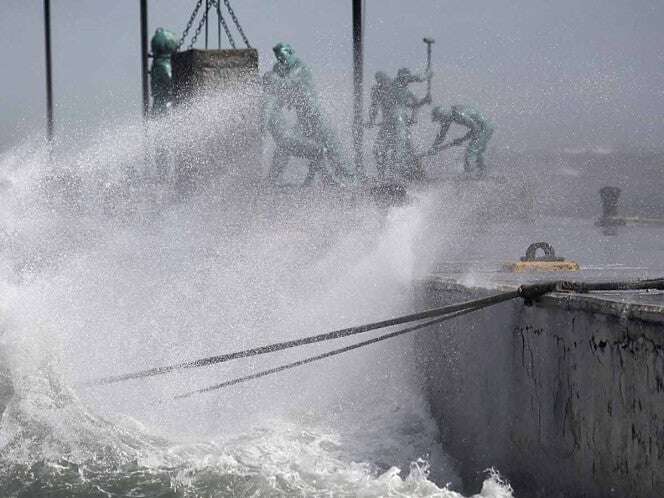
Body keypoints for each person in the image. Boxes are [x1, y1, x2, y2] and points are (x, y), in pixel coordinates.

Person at [272, 42, 354, 185]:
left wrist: (272, 78)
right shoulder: (285, 68)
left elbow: (287, 82)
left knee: (332, 147)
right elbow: (279, 85)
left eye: (283, 57)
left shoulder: (300, 67)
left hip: (315, 117)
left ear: (291, 52)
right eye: (279, 59)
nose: (282, 61)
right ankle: (273, 180)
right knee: (286, 143)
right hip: (304, 120)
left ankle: (351, 180)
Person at [261, 70, 327, 184]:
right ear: (271, 83)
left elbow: (275, 106)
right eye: (277, 82)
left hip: (285, 140)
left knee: (272, 177)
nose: (280, 86)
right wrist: (263, 128)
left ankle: (310, 182)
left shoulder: (270, 97)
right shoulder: (270, 98)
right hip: (287, 140)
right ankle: (319, 182)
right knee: (318, 150)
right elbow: (266, 112)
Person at [428, 105, 494, 178]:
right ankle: (482, 172)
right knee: (477, 150)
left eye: (440, 119)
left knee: (472, 150)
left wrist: (462, 139)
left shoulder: (459, 114)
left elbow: (476, 128)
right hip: (482, 127)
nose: (441, 122)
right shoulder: (450, 116)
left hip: (485, 127)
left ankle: (470, 173)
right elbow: (442, 134)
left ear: (443, 115)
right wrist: (433, 147)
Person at [389, 68, 431, 181]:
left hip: (397, 119)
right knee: (401, 143)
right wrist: (427, 75)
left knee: (404, 143)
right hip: (398, 118)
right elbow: (415, 103)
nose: (408, 80)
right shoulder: (398, 87)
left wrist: (425, 101)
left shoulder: (403, 90)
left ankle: (409, 170)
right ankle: (397, 171)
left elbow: (415, 104)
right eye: (406, 78)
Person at [366, 71, 396, 178]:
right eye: (378, 80)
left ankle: (392, 175)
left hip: (398, 127)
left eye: (381, 80)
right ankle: (382, 176)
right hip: (387, 127)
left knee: (394, 150)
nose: (380, 83)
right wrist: (371, 121)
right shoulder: (378, 91)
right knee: (377, 149)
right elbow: (374, 107)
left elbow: (400, 108)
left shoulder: (396, 90)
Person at [149, 28, 178, 115]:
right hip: (165, 105)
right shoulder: (163, 65)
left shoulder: (158, 64)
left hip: (160, 104)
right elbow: (171, 81)